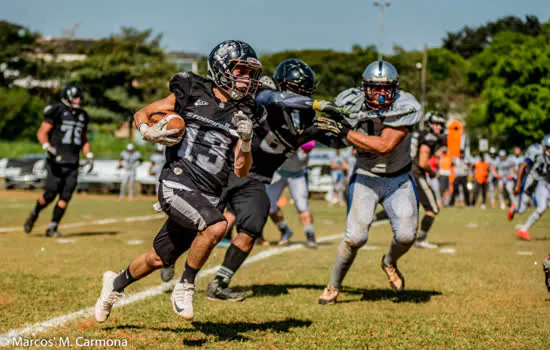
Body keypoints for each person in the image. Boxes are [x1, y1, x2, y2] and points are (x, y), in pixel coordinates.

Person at [93, 40, 260, 323]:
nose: (245, 78)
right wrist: (148, 131)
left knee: (159, 258)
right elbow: (142, 114)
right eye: (240, 70)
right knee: (218, 225)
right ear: (220, 68)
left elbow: (242, 171)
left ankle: (114, 284)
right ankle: (186, 285)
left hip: (208, 194)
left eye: (248, 72)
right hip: (177, 183)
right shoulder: (192, 89)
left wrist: (246, 141)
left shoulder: (246, 111)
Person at [205, 58, 344, 302]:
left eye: (304, 91)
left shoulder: (309, 120)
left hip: (258, 179)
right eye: (296, 90)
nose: (300, 96)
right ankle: (174, 264)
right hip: (230, 167)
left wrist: (344, 126)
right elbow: (275, 99)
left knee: (251, 229)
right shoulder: (267, 96)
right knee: (206, 224)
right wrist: (319, 103)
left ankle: (219, 282)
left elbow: (339, 142)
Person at [316, 60, 422, 304]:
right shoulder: (350, 101)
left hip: (398, 179)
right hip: (366, 176)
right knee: (355, 237)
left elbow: (385, 146)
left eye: (386, 88)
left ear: (395, 89)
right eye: (375, 87)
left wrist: (345, 132)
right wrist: (330, 130)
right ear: (364, 87)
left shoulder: (406, 105)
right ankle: (333, 285)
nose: (380, 93)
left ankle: (389, 262)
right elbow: (335, 138)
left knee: (406, 236)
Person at [23, 84, 94, 237]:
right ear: (67, 96)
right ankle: (35, 213)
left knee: (65, 197)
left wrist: (88, 155)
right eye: (76, 97)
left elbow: (84, 139)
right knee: (49, 195)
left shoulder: (83, 115)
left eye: (80, 97)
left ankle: (52, 228)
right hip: (56, 161)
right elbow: (42, 132)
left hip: (73, 162)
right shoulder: (57, 110)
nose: (78, 100)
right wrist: (47, 146)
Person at [266, 140, 317, 247]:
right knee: (269, 205)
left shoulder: (303, 128)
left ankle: (310, 235)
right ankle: (285, 230)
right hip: (278, 172)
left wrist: (293, 141)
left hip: (297, 174)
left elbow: (309, 145)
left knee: (302, 206)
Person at [410, 112, 447, 249]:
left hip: (408, 173)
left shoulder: (419, 134)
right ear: (429, 123)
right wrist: (432, 172)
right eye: (436, 123)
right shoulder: (429, 137)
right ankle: (420, 239)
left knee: (409, 209)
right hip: (416, 174)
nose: (438, 127)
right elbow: (423, 162)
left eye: (440, 124)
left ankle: (372, 219)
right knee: (432, 208)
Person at [514, 135, 550, 241]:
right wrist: (518, 184)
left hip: (546, 182)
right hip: (535, 181)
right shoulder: (536, 152)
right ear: (544, 147)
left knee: (543, 207)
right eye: (548, 148)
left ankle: (524, 229)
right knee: (523, 209)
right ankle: (523, 228)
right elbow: (522, 167)